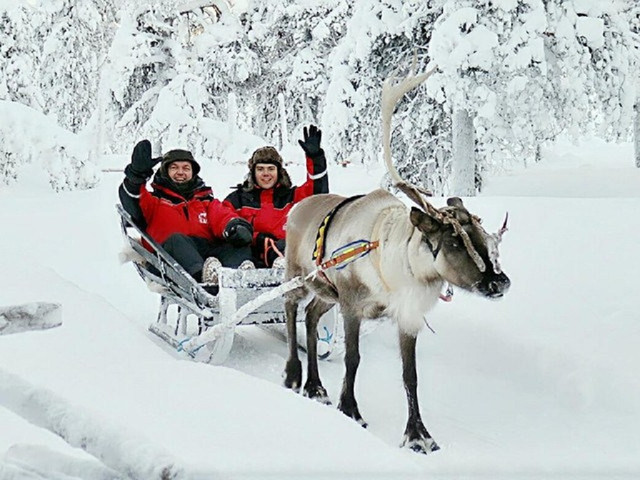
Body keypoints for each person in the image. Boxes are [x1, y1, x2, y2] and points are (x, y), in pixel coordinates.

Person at [119, 139, 254, 284]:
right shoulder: (153, 201)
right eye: (174, 167)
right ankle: (203, 281)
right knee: (177, 239)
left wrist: (234, 226)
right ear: (165, 171)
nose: (180, 172)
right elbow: (132, 199)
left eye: (186, 168)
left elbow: (222, 215)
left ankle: (240, 276)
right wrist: (135, 178)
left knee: (238, 244)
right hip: (170, 259)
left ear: (193, 172)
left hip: (205, 253)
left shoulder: (204, 201)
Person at [223, 125, 329, 268]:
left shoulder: (292, 196)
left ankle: (282, 267)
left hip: (283, 253)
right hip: (247, 255)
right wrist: (256, 238)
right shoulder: (237, 200)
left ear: (279, 172)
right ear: (253, 172)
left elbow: (318, 193)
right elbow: (225, 224)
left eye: (271, 169)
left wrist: (315, 158)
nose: (266, 174)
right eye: (260, 169)